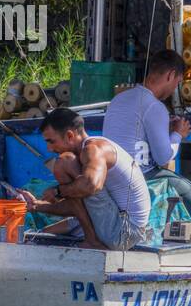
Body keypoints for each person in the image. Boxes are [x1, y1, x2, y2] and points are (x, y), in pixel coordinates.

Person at [103, 49, 191, 238]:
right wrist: (178, 134)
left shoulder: (118, 99)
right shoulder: (154, 106)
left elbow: (135, 132)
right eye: (177, 82)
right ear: (171, 75)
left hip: (112, 173)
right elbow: (163, 156)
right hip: (142, 174)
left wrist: (164, 127)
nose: (175, 87)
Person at [15, 107, 151, 251]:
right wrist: (36, 206)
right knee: (42, 234)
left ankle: (92, 240)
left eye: (51, 141)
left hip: (124, 232)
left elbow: (91, 185)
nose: (49, 148)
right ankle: (91, 238)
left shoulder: (94, 149)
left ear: (69, 136)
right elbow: (77, 205)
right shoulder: (87, 154)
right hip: (117, 225)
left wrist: (57, 191)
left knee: (64, 162)